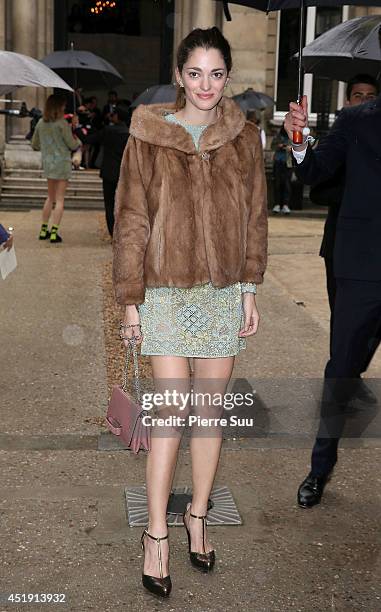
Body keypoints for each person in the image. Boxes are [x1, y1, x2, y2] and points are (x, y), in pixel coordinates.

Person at [113, 27, 268, 597]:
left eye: (217, 73)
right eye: (195, 72)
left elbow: (255, 218)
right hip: (165, 295)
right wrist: (131, 302)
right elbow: (130, 220)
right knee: (169, 417)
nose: (206, 85)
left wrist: (250, 289)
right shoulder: (148, 136)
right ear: (179, 76)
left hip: (224, 295)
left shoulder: (243, 138)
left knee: (209, 417)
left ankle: (196, 515)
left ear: (227, 78)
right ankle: (156, 534)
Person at [284, 84, 381, 509]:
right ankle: (320, 467)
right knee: (341, 371)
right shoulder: (357, 119)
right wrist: (299, 139)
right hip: (363, 270)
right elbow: (314, 172)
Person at [309, 74, 380, 393]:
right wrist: (353, 190)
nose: (364, 100)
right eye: (358, 95)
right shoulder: (345, 132)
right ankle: (346, 373)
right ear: (348, 100)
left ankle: (352, 371)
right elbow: (317, 187)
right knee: (346, 325)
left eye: (370, 95)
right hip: (344, 247)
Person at [31, 94, 80, 243]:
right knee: (59, 199)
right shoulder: (62, 124)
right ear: (58, 107)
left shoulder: (40, 123)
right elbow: (72, 145)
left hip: (49, 164)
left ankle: (43, 230)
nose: (65, 107)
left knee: (50, 197)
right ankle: (54, 233)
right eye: (63, 105)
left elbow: (35, 145)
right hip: (62, 164)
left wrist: (47, 148)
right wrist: (74, 130)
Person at [75, 104, 130, 236]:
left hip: (109, 172)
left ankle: (113, 233)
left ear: (117, 116)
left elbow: (87, 139)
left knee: (109, 204)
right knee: (124, 204)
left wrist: (77, 127)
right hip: (125, 173)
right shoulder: (130, 133)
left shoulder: (108, 131)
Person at [271, 126, 291, 214]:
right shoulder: (277, 136)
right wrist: (279, 146)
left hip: (288, 164)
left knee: (287, 184)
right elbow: (272, 146)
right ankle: (277, 204)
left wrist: (290, 148)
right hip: (278, 162)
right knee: (277, 184)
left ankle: (286, 205)